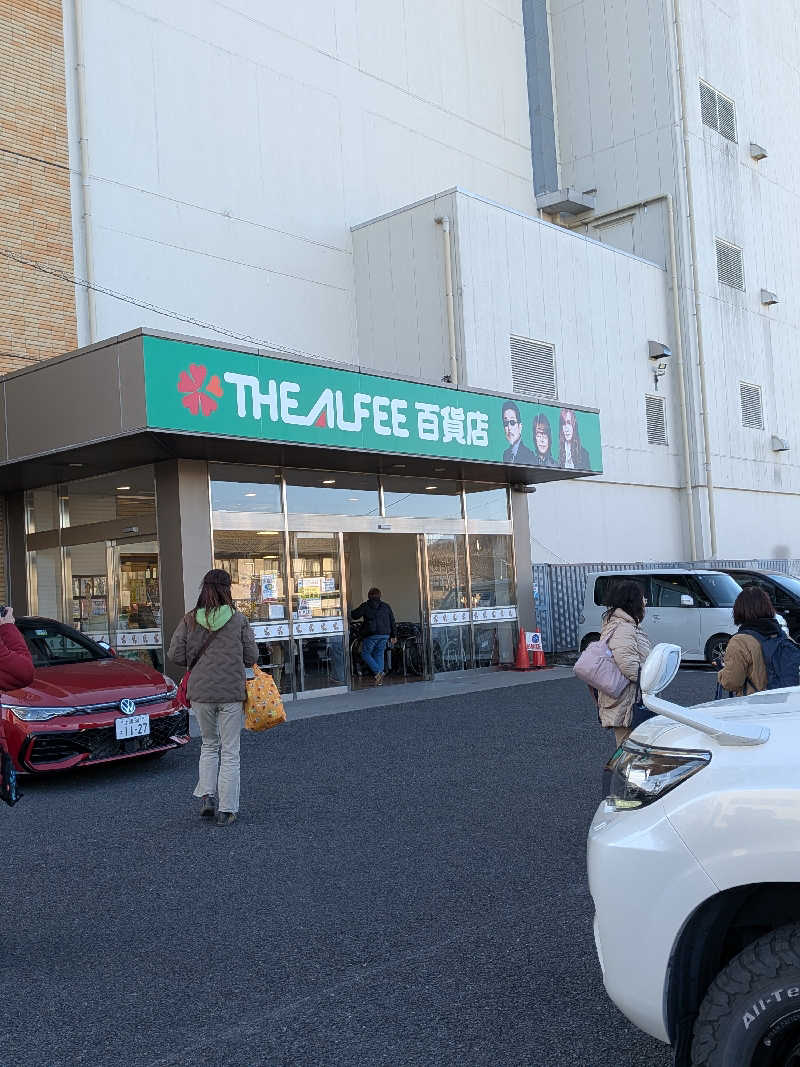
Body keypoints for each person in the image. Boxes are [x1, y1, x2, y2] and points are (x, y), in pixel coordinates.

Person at [168, 569, 258, 826]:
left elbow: (175, 654)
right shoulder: (238, 619)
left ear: (204, 588)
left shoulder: (189, 619)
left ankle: (207, 797)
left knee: (208, 744)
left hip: (201, 693)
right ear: (227, 589)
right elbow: (251, 657)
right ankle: (227, 810)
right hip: (230, 692)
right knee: (230, 750)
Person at [596, 580, 651, 748]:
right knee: (630, 750)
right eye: (643, 599)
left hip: (627, 698)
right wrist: (650, 678)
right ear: (634, 602)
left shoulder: (623, 624)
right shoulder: (623, 627)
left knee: (630, 749)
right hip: (628, 700)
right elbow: (628, 664)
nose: (645, 603)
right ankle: (618, 775)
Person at [717, 586, 779, 696]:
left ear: (740, 610)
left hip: (754, 706)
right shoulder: (782, 635)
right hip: (785, 704)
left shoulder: (740, 641)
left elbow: (731, 682)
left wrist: (721, 673)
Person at [350, 587, 396, 686]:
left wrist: (348, 609)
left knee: (365, 654)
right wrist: (394, 635)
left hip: (372, 634)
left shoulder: (366, 606)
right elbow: (392, 620)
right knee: (379, 654)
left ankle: (378, 672)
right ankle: (379, 679)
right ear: (380, 595)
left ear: (369, 596)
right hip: (385, 634)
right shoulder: (386, 606)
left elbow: (354, 615)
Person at [501, 400, 537, 465]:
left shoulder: (529, 455)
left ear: (520, 427)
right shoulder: (506, 454)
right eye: (506, 423)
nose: (509, 428)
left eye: (512, 422)